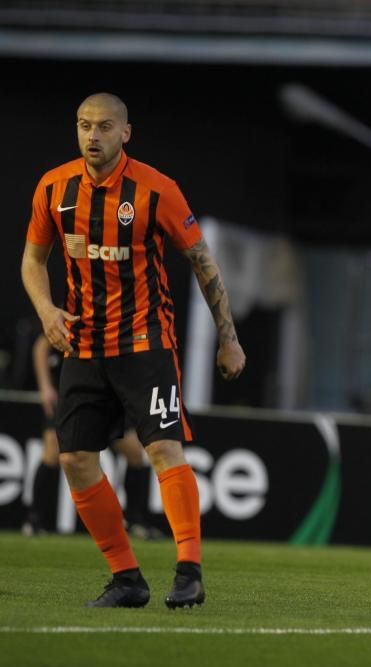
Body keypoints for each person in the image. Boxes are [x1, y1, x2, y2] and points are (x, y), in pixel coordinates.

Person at [20, 92, 246, 608]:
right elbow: (32, 262)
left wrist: (228, 338)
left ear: (126, 133)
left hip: (145, 342)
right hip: (83, 345)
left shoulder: (155, 190)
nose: (91, 136)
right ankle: (127, 579)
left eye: (103, 126)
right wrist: (47, 311)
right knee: (75, 457)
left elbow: (202, 262)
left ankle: (189, 571)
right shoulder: (55, 188)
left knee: (163, 450)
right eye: (83, 125)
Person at [24, 332, 161, 539]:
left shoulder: (120, 317)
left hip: (107, 394)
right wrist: (45, 387)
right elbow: (42, 344)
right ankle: (34, 520)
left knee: (135, 453)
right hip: (71, 391)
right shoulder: (78, 306)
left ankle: (135, 521)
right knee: (53, 450)